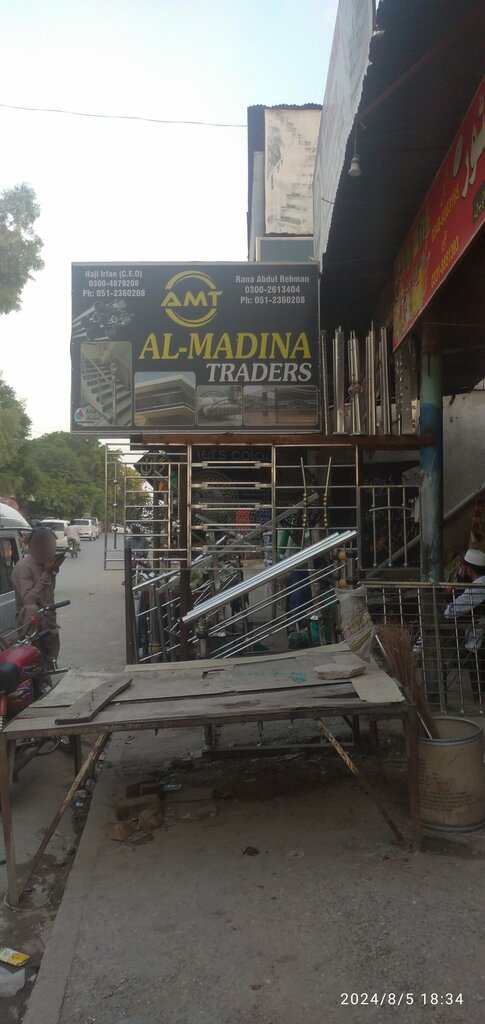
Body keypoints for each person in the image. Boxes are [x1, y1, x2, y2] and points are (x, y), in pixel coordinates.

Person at [11, 528, 64, 666]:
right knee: (35, 664)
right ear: (33, 546)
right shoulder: (23, 567)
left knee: (50, 662)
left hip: (49, 622)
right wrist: (46, 573)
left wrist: (52, 572)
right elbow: (28, 600)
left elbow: (49, 594)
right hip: (31, 626)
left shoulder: (47, 564)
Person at [444, 548, 485, 701]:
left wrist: (448, 599)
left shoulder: (477, 588)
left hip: (478, 637)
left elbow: (450, 612)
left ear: (468, 570)